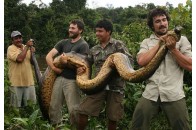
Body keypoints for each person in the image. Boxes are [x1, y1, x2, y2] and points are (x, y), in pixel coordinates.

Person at [131, 8, 192, 130]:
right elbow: (141, 61)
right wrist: (160, 43)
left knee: (182, 127)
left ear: (168, 21)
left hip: (173, 93)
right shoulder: (146, 42)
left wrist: (174, 49)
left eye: (164, 20)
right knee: (137, 125)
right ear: (152, 26)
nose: (162, 23)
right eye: (157, 21)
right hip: (151, 92)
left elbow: (190, 66)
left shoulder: (181, 40)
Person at [75, 19, 134, 130]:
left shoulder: (118, 45)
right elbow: (87, 64)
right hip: (98, 86)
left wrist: (116, 65)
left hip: (116, 86)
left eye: (100, 31)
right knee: (83, 111)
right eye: (96, 31)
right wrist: (81, 70)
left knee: (112, 118)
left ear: (108, 32)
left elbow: (130, 61)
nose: (97, 34)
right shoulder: (94, 49)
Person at [46, 19, 89, 127]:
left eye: (73, 28)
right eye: (70, 27)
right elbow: (49, 56)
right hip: (59, 78)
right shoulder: (63, 42)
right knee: (54, 107)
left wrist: (65, 63)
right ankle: (57, 127)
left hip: (73, 80)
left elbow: (81, 66)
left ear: (80, 30)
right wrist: (54, 68)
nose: (70, 30)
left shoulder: (83, 45)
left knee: (74, 109)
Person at [7, 31, 37, 108]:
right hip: (16, 83)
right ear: (12, 40)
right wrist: (27, 47)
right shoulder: (11, 48)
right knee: (16, 109)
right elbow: (19, 59)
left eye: (20, 38)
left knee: (30, 107)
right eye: (16, 38)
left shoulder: (26, 48)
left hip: (29, 82)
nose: (19, 40)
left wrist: (33, 52)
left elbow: (33, 63)